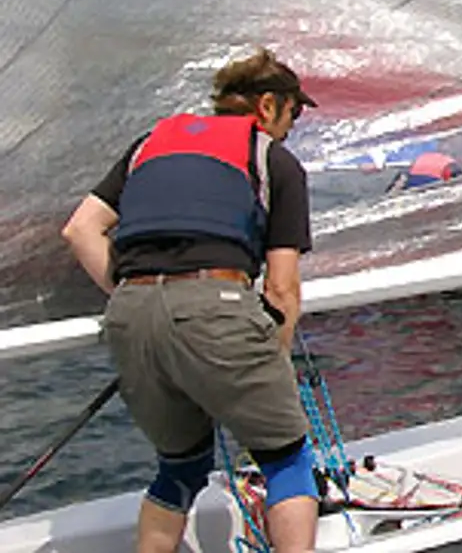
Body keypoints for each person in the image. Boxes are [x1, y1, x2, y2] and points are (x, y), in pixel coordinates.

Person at [60, 48, 321, 553]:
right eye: (295, 113)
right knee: (286, 460)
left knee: (179, 468)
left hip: (132, 311)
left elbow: (79, 229)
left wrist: (144, 294)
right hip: (216, 304)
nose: (294, 126)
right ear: (268, 106)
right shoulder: (272, 159)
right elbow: (281, 290)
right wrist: (269, 360)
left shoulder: (150, 145)